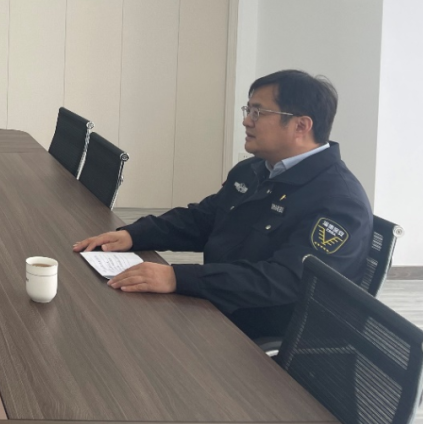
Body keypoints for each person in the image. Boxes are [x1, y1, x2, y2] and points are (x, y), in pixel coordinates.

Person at [73, 70, 371, 339]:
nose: (246, 120)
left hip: (258, 336)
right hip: (217, 306)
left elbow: (285, 280)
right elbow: (203, 219)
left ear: (301, 125)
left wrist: (178, 277)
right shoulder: (255, 170)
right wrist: (134, 234)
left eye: (258, 112)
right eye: (248, 109)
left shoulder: (338, 202)